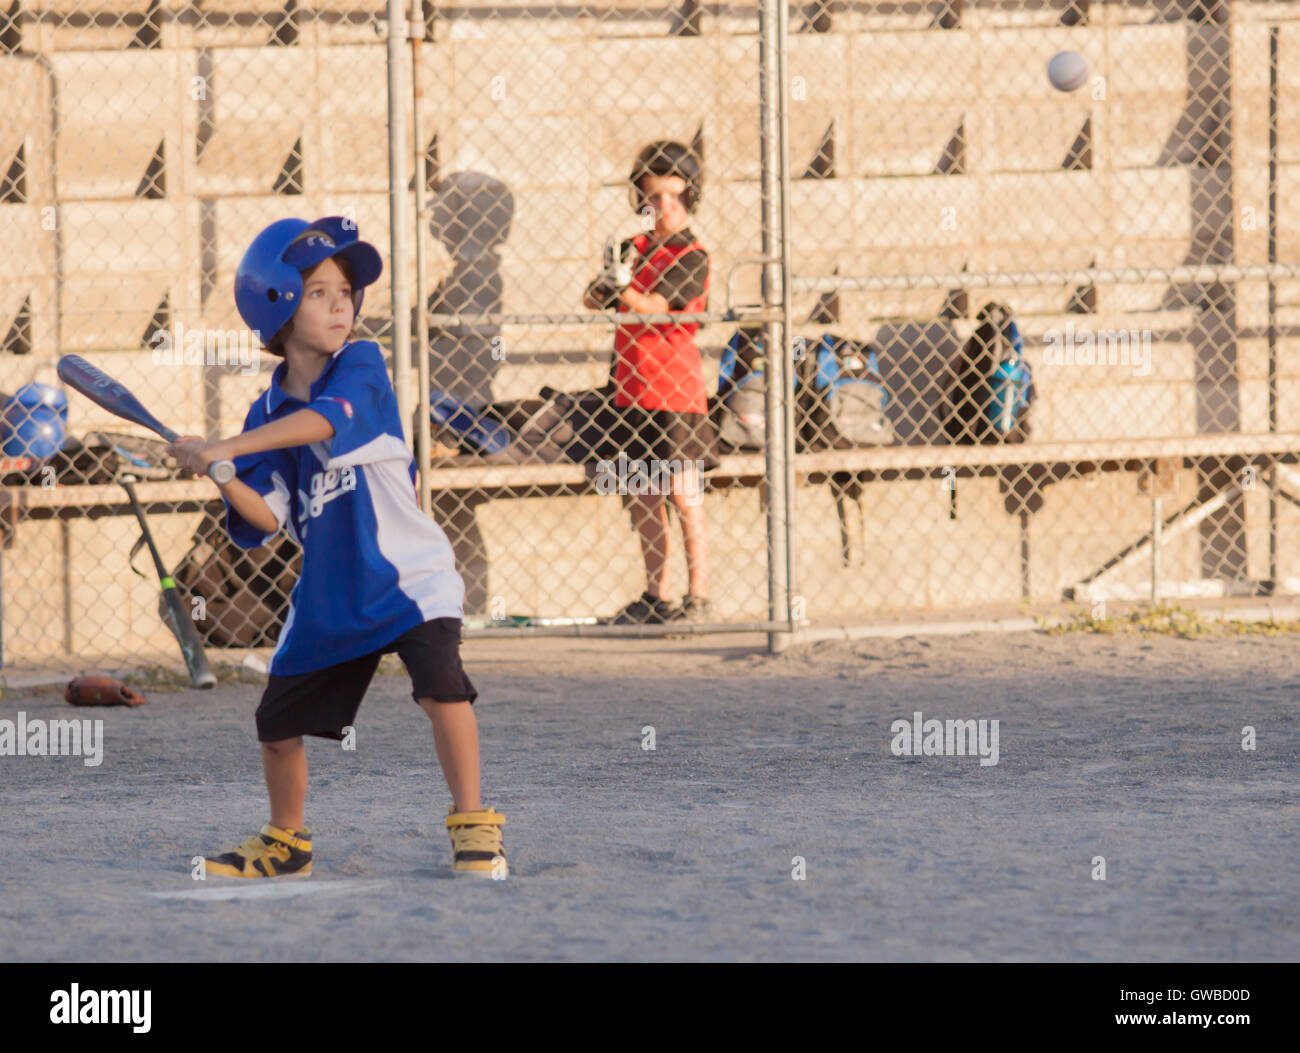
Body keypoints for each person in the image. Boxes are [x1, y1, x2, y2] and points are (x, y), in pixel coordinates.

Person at [168, 216, 506, 879]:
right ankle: (287, 842)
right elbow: (265, 520)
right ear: (278, 304)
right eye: (319, 292)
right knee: (275, 721)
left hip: (409, 576)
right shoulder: (263, 416)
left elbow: (328, 419)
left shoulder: (362, 362)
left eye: (345, 291)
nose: (340, 304)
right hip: (331, 593)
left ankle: (475, 827)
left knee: (443, 689)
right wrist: (219, 471)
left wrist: (226, 448)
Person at [584, 140, 715, 625]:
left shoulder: (692, 253)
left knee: (683, 493)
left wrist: (626, 289)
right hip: (630, 388)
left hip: (675, 391)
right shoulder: (629, 248)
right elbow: (591, 299)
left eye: (674, 196)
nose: (663, 207)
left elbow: (662, 308)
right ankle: (656, 593)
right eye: (654, 197)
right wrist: (608, 284)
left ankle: (698, 594)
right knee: (642, 493)